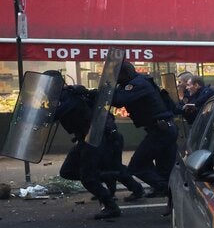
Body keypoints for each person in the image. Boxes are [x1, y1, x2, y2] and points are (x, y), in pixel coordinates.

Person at [43, 71, 144, 219]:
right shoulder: (69, 93)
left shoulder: (68, 96)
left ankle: (110, 205)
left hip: (96, 138)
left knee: (89, 177)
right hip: (88, 138)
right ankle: (108, 177)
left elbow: (55, 114)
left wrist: (39, 113)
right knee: (68, 171)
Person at [112, 61, 178, 198]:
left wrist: (105, 91)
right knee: (164, 169)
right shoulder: (139, 81)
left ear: (124, 74)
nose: (116, 79)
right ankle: (165, 192)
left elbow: (118, 100)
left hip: (161, 131)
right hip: (164, 129)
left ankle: (165, 189)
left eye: (117, 76)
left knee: (137, 166)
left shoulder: (137, 84)